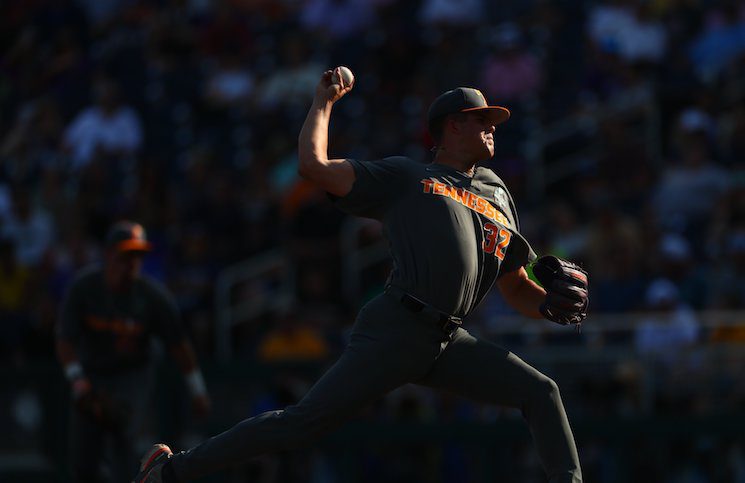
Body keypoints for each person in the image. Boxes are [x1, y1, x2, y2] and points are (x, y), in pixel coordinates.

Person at [133, 68, 588, 483]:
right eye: (481, 119)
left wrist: (546, 305)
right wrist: (323, 103)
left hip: (448, 340)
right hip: (398, 326)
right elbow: (314, 166)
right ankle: (171, 471)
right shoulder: (408, 176)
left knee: (540, 391)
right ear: (452, 126)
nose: (493, 127)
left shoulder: (497, 192)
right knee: (303, 423)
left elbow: (515, 287)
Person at [56, 220, 210, 483]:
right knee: (83, 463)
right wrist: (77, 379)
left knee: (123, 429)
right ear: (108, 255)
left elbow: (178, 344)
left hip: (133, 374)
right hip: (92, 373)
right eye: (125, 255)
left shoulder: (151, 296)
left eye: (137, 256)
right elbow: (64, 338)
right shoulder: (85, 287)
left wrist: (197, 390)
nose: (131, 263)